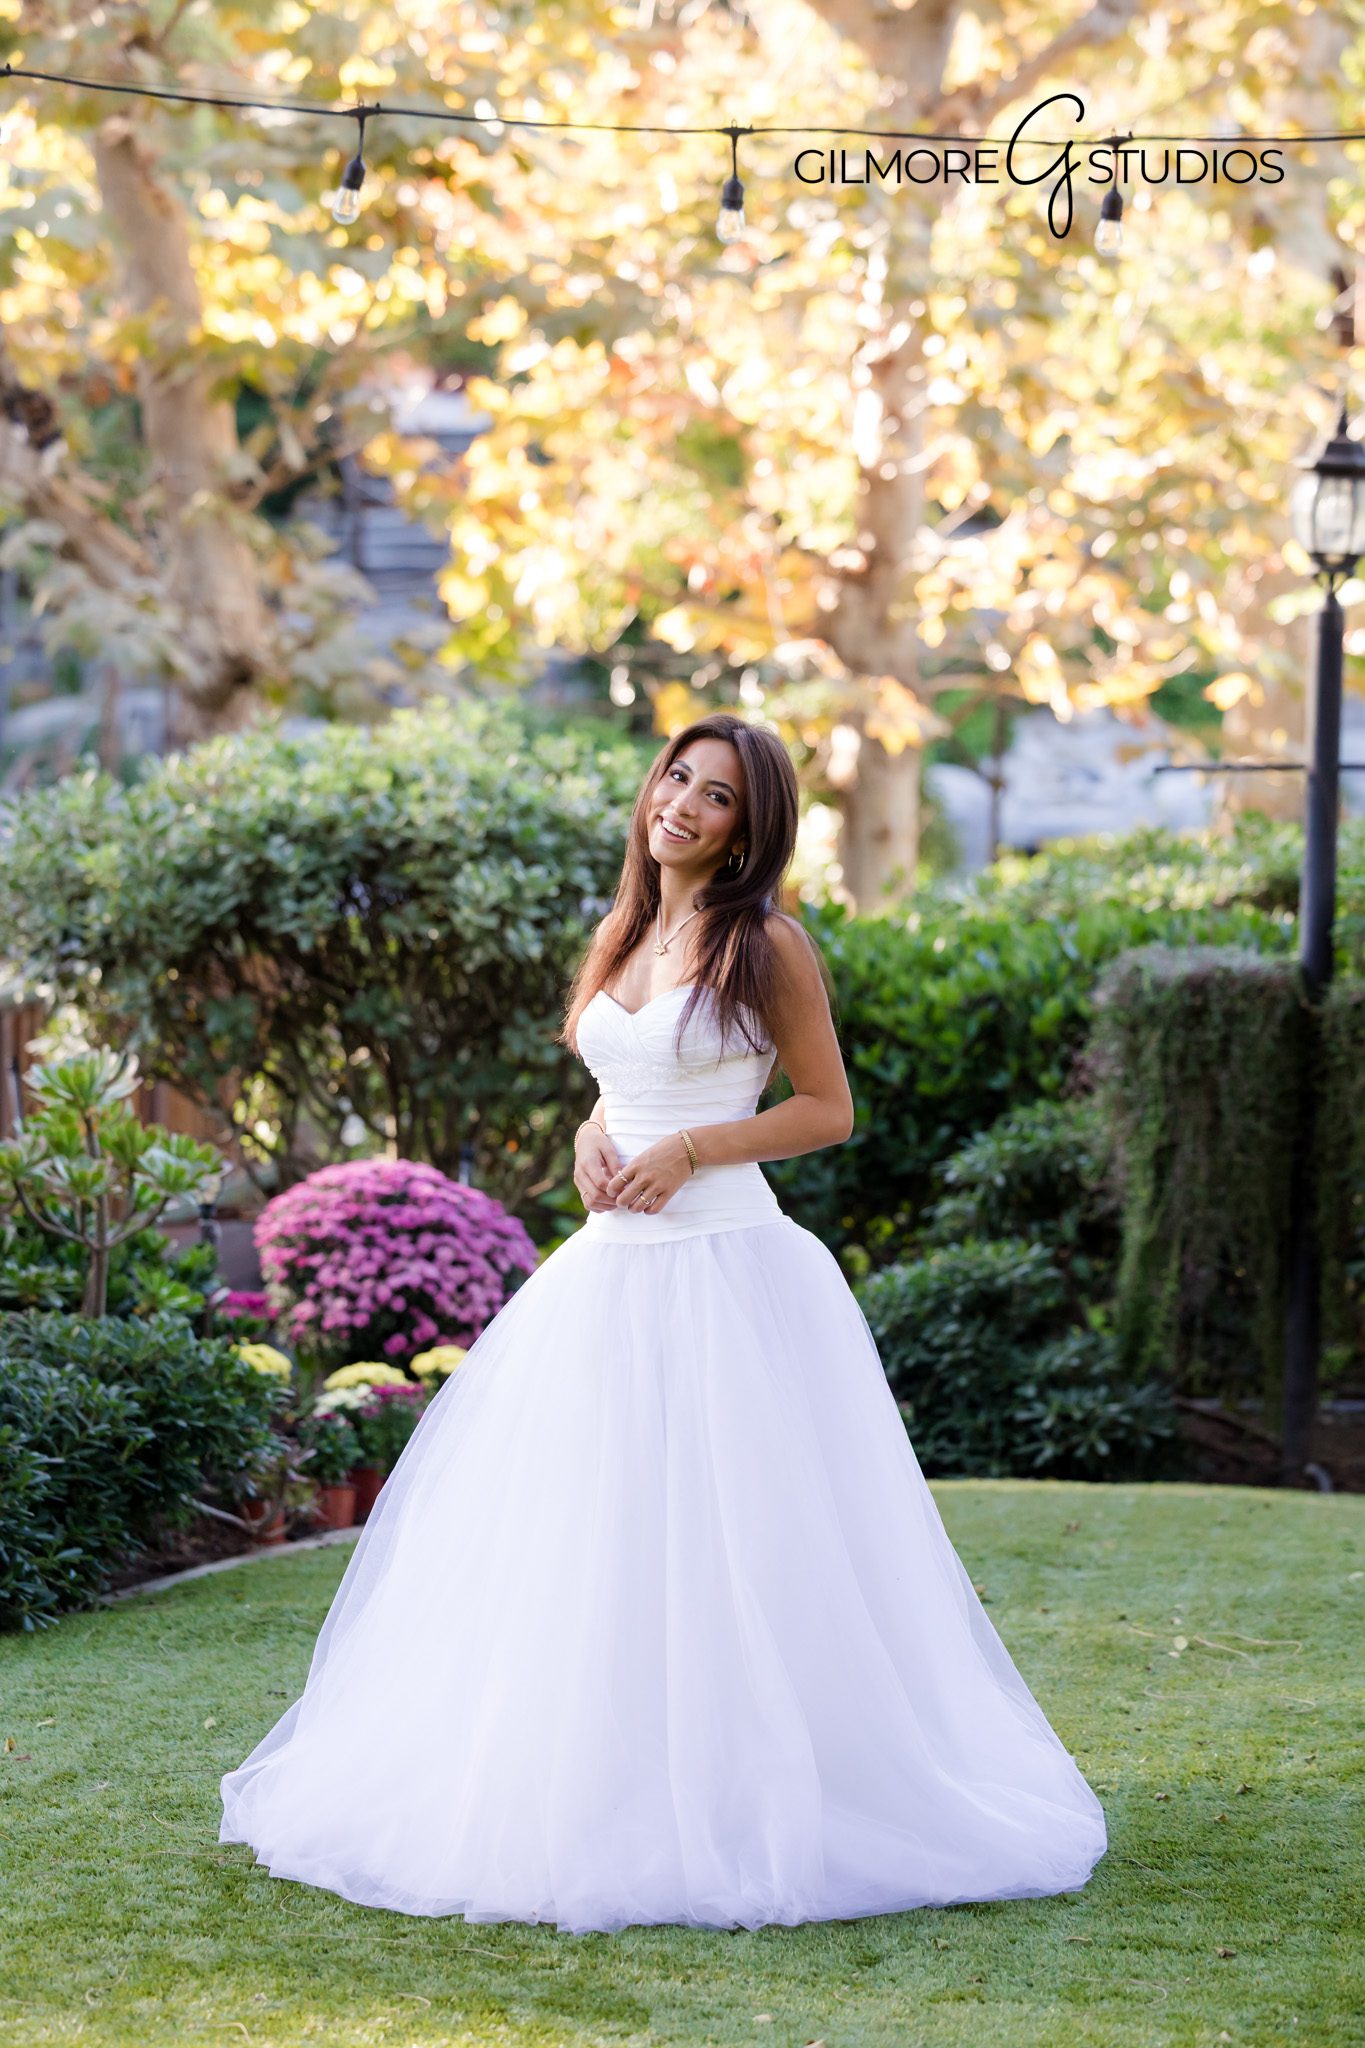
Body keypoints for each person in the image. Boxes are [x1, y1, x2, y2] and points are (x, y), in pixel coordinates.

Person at [219, 712, 1107, 1933]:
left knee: (743, 1535)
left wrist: (693, 1145)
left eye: (719, 796)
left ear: (752, 829)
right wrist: (595, 1133)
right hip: (607, 1273)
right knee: (588, 1531)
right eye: (676, 777)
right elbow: (613, 1079)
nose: (683, 804)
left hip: (729, 1264)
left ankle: (767, 1781)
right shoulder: (621, 930)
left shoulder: (769, 944)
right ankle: (595, 1775)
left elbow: (826, 1108)